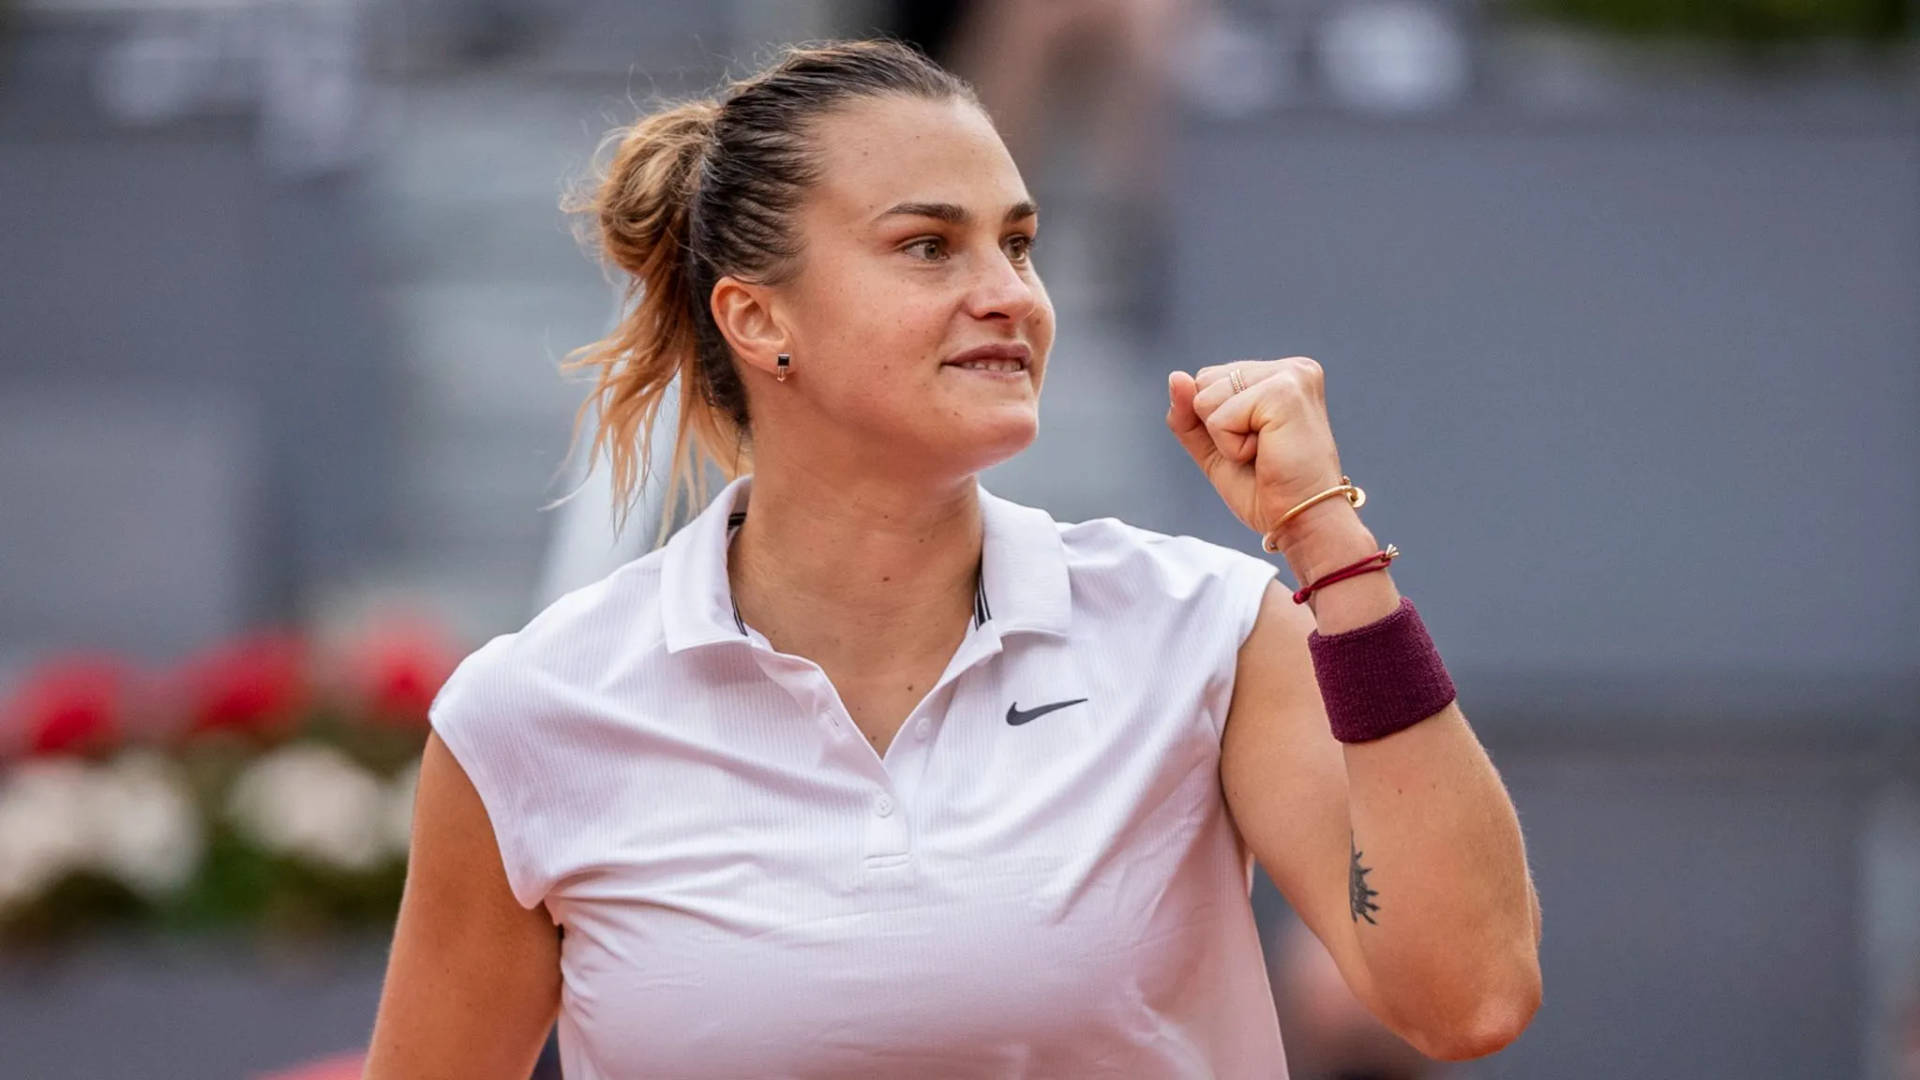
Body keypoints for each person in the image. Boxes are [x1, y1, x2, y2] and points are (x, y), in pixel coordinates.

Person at [363, 38, 1542, 1079]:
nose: (1009, 296)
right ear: (758, 319)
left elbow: (1468, 998)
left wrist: (1327, 545)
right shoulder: (530, 713)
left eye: (1019, 244)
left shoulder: (1210, 629)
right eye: (929, 246)